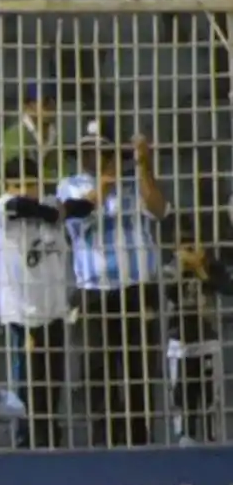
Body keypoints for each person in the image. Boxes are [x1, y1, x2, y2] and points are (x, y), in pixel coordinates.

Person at [57, 119, 168, 447]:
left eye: (99, 150)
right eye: (86, 150)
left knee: (139, 371)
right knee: (96, 375)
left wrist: (144, 167)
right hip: (94, 293)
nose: (91, 156)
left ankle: (140, 442)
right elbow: (80, 215)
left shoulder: (134, 184)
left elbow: (159, 210)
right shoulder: (71, 186)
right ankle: (104, 444)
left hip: (136, 290)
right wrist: (110, 177)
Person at [0, 156, 87, 449]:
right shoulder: (0, 207)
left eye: (30, 183)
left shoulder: (50, 205)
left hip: (54, 313)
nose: (24, 190)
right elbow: (19, 206)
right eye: (17, 184)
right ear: (6, 186)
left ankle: (49, 444)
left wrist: (61, 209)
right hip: (23, 316)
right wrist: (55, 211)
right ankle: (24, 445)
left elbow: (85, 207)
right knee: (27, 391)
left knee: (52, 387)